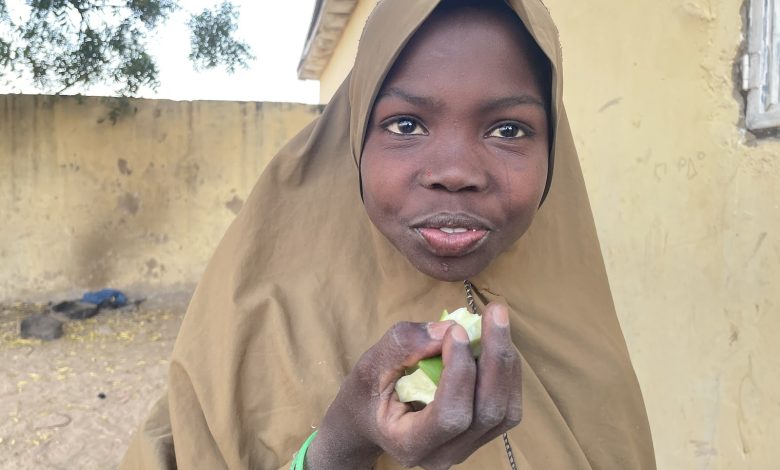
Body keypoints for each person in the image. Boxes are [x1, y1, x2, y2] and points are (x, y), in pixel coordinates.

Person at [121, 0, 656, 468]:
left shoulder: (589, 351)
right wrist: (340, 446)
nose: (455, 171)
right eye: (405, 125)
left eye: (508, 130)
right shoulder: (254, 324)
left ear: (553, 151)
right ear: (354, 142)